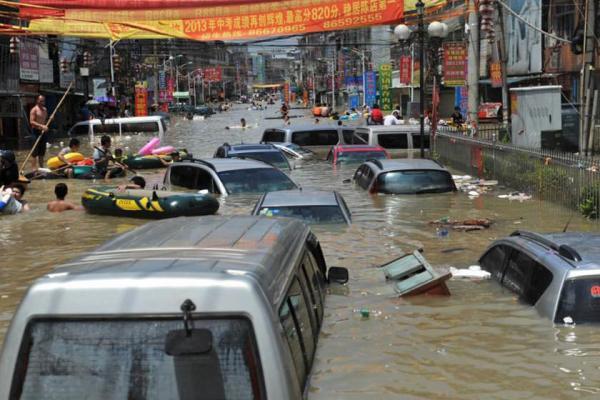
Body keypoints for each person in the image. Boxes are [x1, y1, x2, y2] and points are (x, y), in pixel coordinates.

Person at [29, 95, 49, 170]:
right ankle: (33, 169)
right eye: (40, 101)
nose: (42, 102)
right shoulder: (34, 110)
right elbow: (31, 122)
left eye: (43, 101)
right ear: (37, 101)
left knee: (42, 151)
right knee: (35, 152)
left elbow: (45, 121)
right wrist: (41, 126)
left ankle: (41, 167)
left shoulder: (45, 109)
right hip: (35, 132)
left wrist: (49, 121)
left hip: (43, 132)